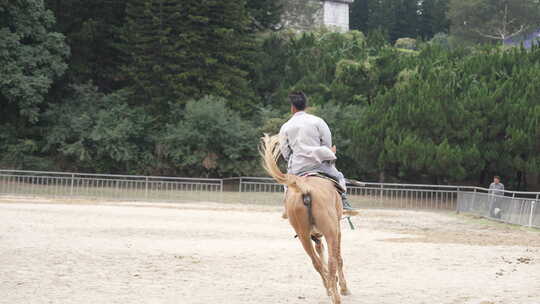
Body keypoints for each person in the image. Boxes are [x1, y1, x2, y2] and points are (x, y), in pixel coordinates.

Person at [278, 91, 355, 215]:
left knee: (287, 185)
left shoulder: (286, 126)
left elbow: (284, 149)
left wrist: (290, 158)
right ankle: (344, 202)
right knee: (339, 177)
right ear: (306, 106)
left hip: (298, 166)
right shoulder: (318, 121)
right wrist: (327, 154)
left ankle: (287, 207)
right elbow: (327, 142)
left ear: (292, 108)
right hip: (320, 163)